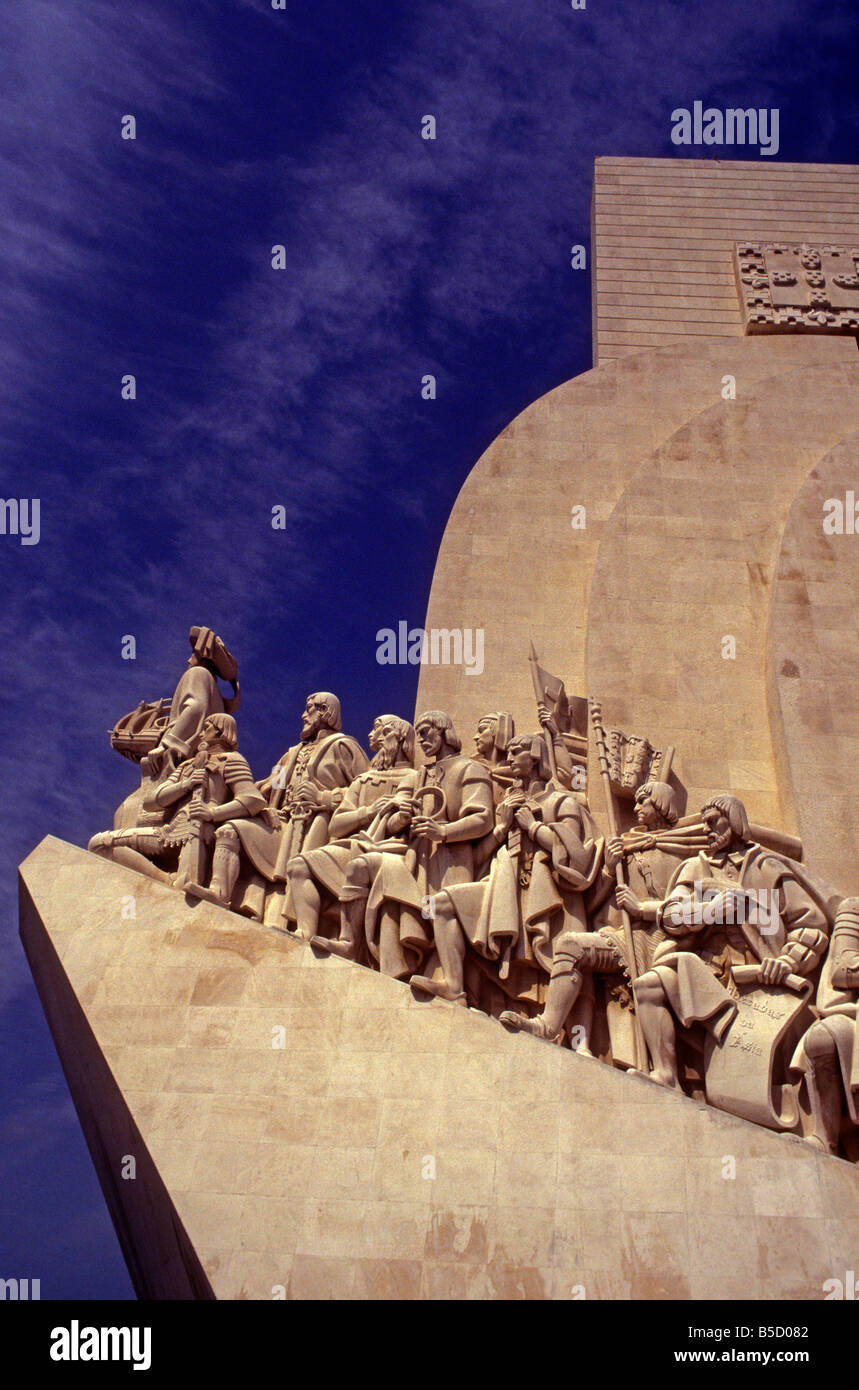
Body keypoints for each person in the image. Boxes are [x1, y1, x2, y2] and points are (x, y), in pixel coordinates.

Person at [634, 794, 829, 1090]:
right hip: (708, 970)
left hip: (759, 971)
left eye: (713, 822)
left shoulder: (767, 867)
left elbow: (810, 925)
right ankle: (666, 1074)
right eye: (704, 824)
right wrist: (709, 911)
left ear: (734, 822)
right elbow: (670, 915)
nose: (707, 830)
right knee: (649, 984)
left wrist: (787, 961)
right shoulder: (695, 868)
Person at [411, 732, 604, 1021]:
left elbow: (575, 853)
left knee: (565, 963)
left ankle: (566, 1032)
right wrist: (502, 827)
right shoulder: (508, 804)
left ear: (535, 756)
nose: (509, 758)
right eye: (509, 752)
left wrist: (534, 827)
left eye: (517, 753)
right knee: (442, 904)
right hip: (504, 887)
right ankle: (453, 986)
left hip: (548, 892)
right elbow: (480, 858)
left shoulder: (562, 802)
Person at [497, 779, 683, 1050]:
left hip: (661, 941)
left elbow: (687, 912)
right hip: (625, 938)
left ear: (662, 805)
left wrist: (643, 909)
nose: (637, 806)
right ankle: (548, 1026)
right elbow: (597, 906)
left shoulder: (682, 854)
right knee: (570, 945)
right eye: (637, 800)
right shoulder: (628, 851)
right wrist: (608, 870)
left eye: (644, 801)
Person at [317, 710, 494, 979]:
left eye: (426, 732)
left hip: (449, 861)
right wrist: (400, 817)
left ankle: (450, 983)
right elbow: (390, 822)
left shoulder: (470, 768)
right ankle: (352, 944)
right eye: (418, 733)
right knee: (362, 868)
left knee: (441, 915)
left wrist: (443, 831)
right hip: (413, 859)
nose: (421, 739)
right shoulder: (417, 776)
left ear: (444, 731)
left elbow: (482, 818)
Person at [89, 714, 265, 904]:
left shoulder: (230, 760)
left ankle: (179, 884)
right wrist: (186, 784)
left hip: (201, 830)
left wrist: (212, 814)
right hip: (170, 830)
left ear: (220, 732)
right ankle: (167, 880)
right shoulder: (188, 765)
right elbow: (152, 801)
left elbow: (252, 799)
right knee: (100, 844)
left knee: (185, 888)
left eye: (207, 728)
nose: (202, 733)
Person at [286, 714, 416, 940]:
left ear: (400, 737)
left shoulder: (414, 777)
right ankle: (305, 933)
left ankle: (349, 942)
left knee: (358, 867)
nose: (373, 736)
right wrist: (369, 811)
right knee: (298, 866)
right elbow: (336, 826)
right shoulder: (363, 779)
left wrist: (402, 818)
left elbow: (399, 824)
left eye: (382, 731)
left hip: (389, 848)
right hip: (352, 844)